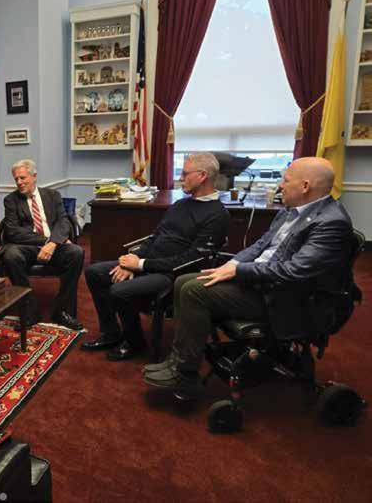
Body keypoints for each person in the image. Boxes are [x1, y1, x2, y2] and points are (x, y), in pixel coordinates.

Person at [144, 157, 352, 398]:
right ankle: (179, 360)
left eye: (285, 180)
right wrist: (232, 264)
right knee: (183, 281)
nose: (280, 185)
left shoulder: (331, 222)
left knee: (193, 291)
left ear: (305, 186)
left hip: (288, 299)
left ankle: (185, 373)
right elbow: (261, 245)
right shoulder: (292, 209)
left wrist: (239, 271)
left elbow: (294, 271)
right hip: (262, 282)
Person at [82, 153, 229, 360]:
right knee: (94, 272)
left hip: (175, 275)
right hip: (149, 263)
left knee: (119, 291)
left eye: (185, 173)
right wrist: (132, 261)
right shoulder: (180, 204)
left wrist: (141, 264)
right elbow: (155, 237)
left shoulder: (218, 214)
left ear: (202, 176)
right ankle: (111, 333)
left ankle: (134, 343)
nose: (180, 178)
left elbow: (190, 259)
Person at [0, 159, 84, 330]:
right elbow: (13, 232)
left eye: (23, 178)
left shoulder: (52, 196)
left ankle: (63, 311)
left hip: (54, 245)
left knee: (76, 252)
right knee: (10, 255)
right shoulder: (11, 200)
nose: (19, 182)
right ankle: (30, 310)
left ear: (34, 176)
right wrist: (46, 242)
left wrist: (53, 242)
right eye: (16, 179)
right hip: (26, 247)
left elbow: (63, 222)